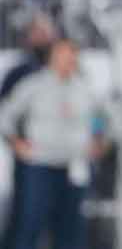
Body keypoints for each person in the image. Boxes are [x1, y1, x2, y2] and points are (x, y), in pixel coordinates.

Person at [0, 39, 106, 249]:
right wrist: (16, 143)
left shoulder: (84, 88)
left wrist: (99, 140)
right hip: (40, 166)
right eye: (63, 55)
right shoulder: (34, 85)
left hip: (74, 167)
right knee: (30, 225)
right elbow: (6, 116)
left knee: (70, 230)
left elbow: (101, 118)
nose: (67, 61)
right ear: (53, 57)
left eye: (71, 55)